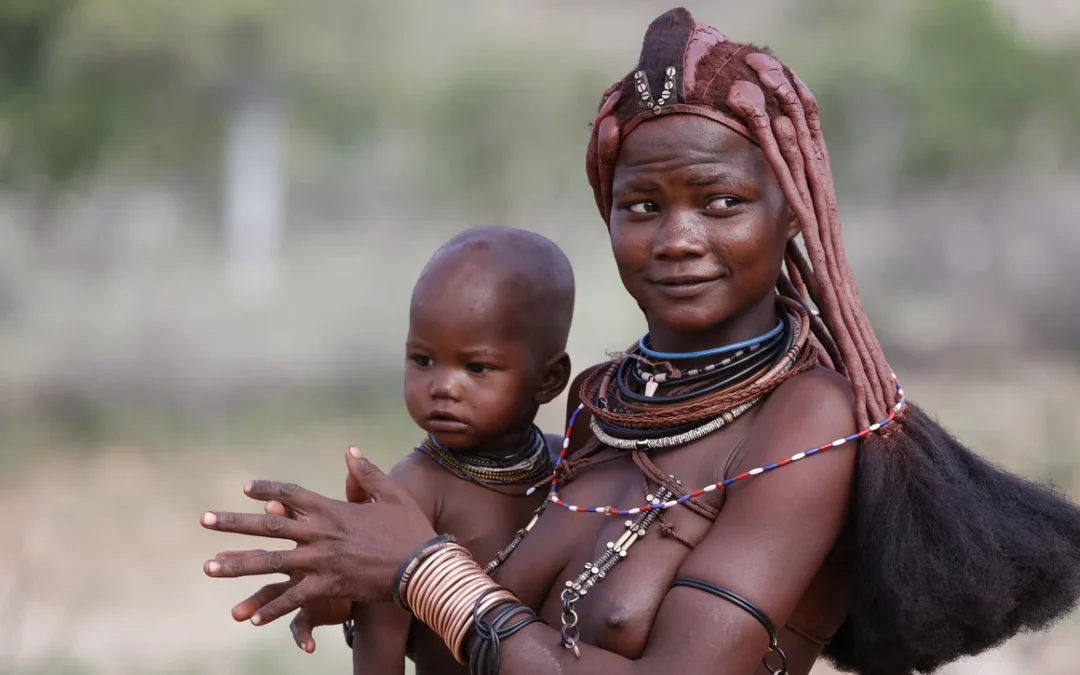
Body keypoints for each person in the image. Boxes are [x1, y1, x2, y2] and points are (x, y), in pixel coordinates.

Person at [199, 8, 1080, 675]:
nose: (678, 239)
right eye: (643, 206)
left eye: (722, 202)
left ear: (792, 211)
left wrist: (425, 572)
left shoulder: (810, 418)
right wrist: (363, 569)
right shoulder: (598, 402)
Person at [222, 226, 575, 674]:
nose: (443, 387)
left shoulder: (567, 463)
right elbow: (379, 633)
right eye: (422, 360)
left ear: (549, 380)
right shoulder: (415, 487)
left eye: (477, 367)